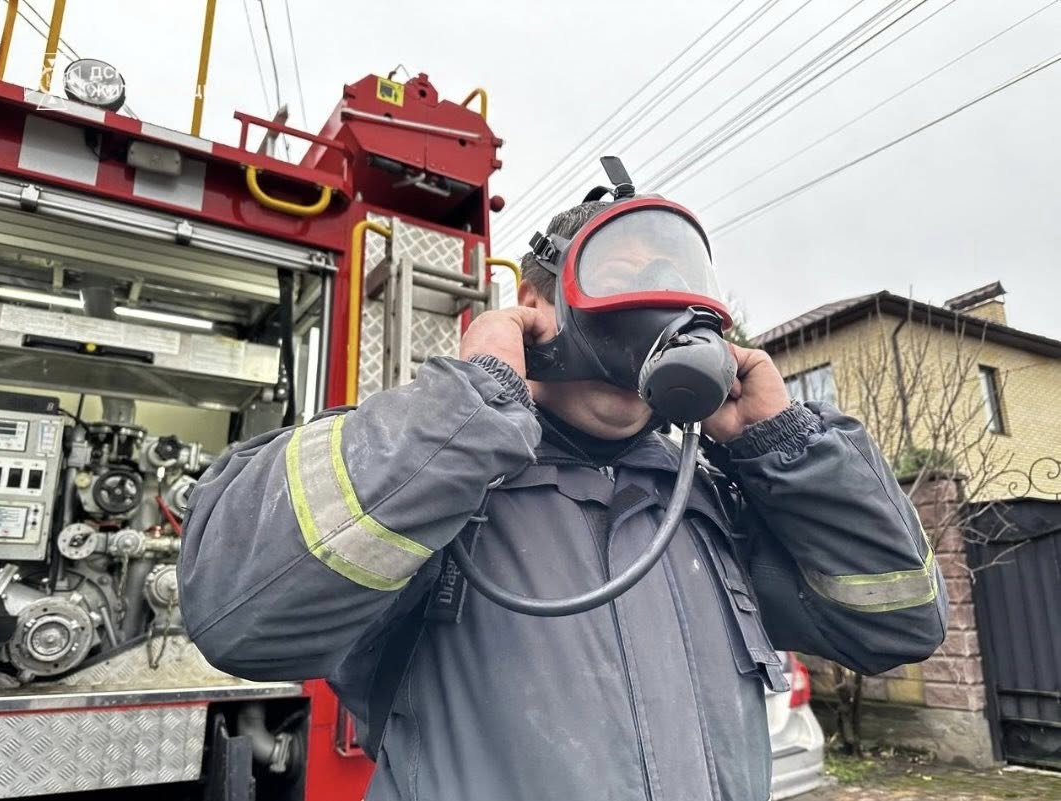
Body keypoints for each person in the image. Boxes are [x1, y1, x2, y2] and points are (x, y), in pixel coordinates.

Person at [180, 194, 947, 801]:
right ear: (536, 306)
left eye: (670, 284)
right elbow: (237, 616)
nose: (649, 309)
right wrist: (474, 408)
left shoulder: (709, 502)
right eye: (623, 275)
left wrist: (782, 447)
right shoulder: (427, 473)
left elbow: (898, 623)